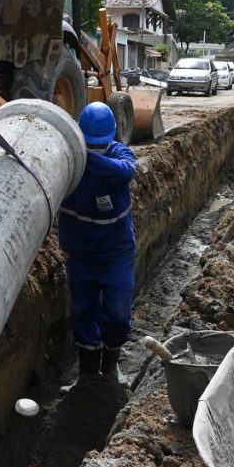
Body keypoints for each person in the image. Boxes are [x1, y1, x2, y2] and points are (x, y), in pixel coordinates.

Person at [57, 102, 137, 391]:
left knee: (117, 314)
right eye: (89, 145)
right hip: (80, 255)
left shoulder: (118, 154)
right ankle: (87, 376)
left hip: (116, 254)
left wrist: (83, 157)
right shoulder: (64, 161)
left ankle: (111, 368)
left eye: (99, 145)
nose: (96, 148)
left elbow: (126, 171)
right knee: (83, 313)